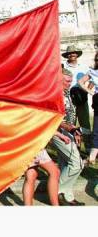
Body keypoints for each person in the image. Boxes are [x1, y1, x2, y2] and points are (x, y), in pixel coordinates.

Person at [50, 68, 85, 206]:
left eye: (71, 81)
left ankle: (68, 196)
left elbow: (70, 115)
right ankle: (58, 192)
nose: (70, 83)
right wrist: (71, 129)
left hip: (68, 132)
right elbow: (56, 119)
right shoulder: (55, 95)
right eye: (67, 81)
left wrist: (75, 131)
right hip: (57, 132)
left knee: (66, 164)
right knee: (77, 164)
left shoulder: (66, 93)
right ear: (59, 79)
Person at [62, 45, 91, 147]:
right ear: (67, 55)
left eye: (74, 53)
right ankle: (72, 146)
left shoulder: (84, 67)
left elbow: (91, 79)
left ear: (77, 54)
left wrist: (88, 91)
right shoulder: (62, 66)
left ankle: (88, 147)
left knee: (85, 123)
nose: (72, 54)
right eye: (69, 53)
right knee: (70, 123)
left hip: (81, 98)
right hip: (68, 99)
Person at [78, 51, 98, 166]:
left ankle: (92, 156)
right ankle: (92, 156)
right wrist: (91, 92)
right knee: (96, 129)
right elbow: (80, 82)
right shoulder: (93, 72)